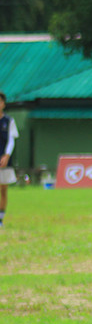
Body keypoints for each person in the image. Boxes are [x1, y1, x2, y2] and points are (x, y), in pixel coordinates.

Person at [0, 92, 19, 228]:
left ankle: (0, 218)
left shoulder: (9, 121)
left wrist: (6, 155)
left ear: (3, 104)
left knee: (3, 189)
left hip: (4, 161)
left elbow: (11, 140)